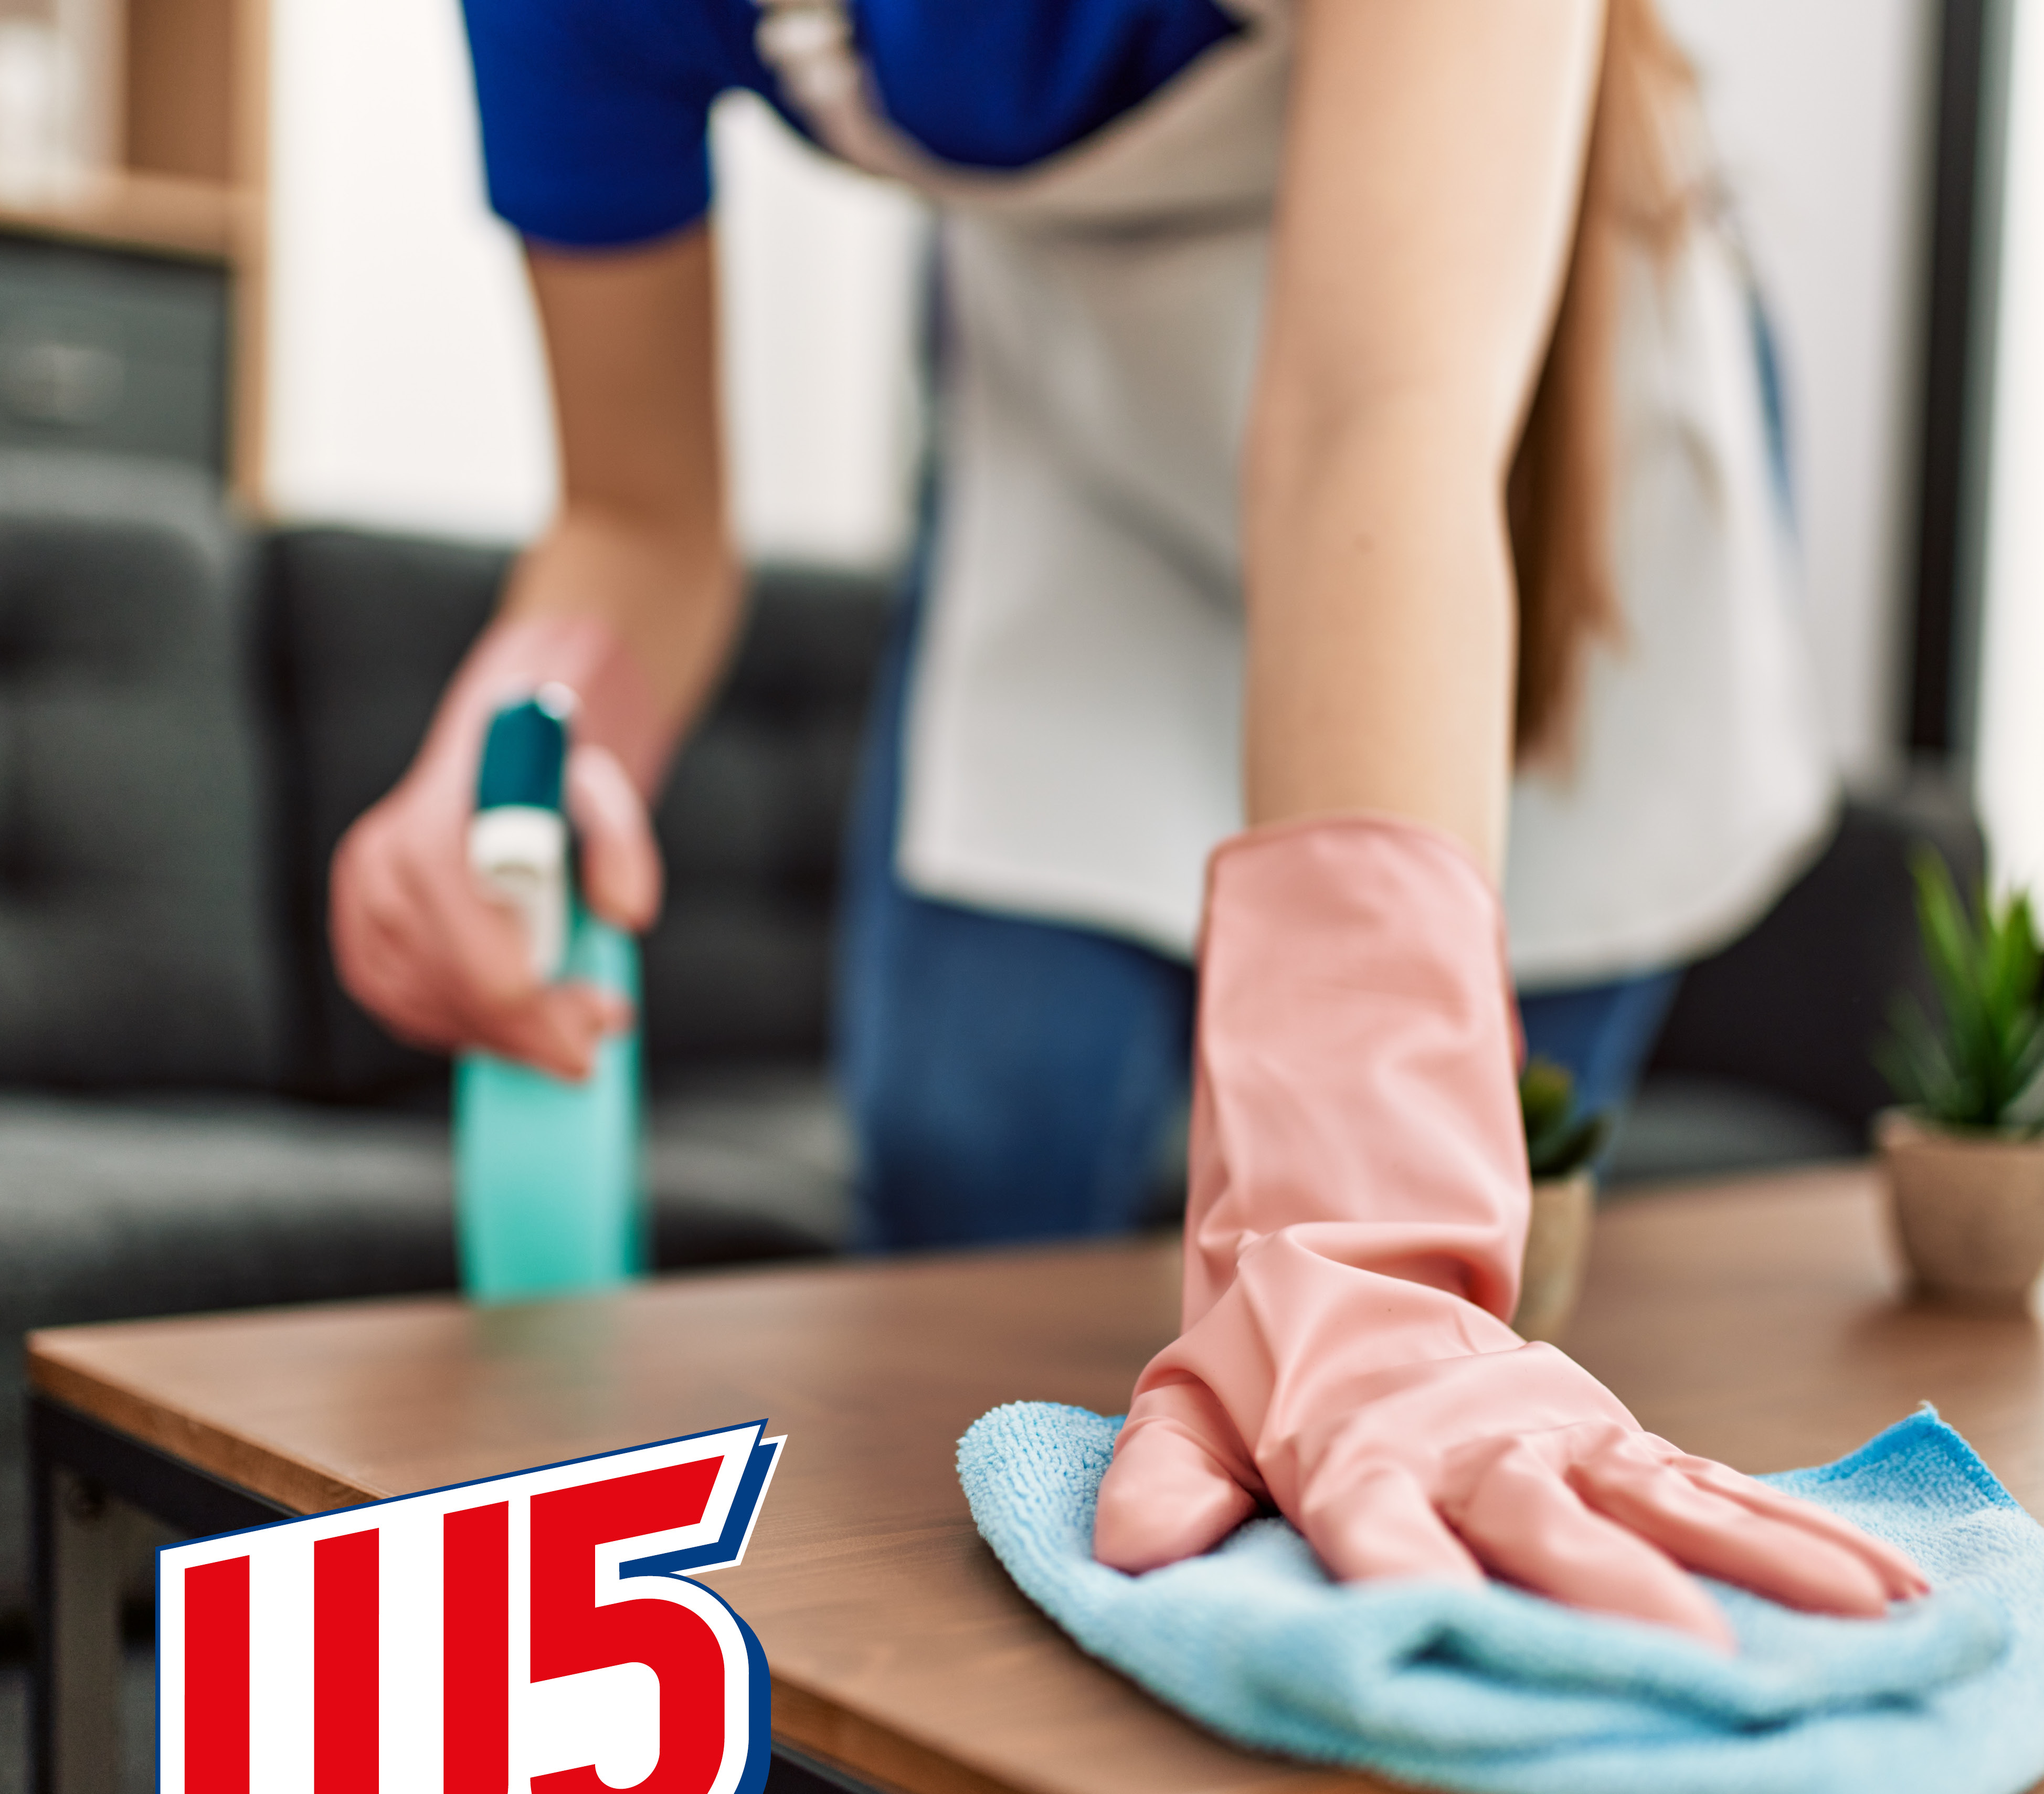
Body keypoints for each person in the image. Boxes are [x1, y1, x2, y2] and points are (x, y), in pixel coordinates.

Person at [334, 0, 1921, 1630]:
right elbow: (636, 513)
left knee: (1459, 1260)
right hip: (1084, 424)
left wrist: (1366, 1240)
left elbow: (1374, 418)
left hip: (1489, 429)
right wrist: (526, 723)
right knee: (971, 1147)